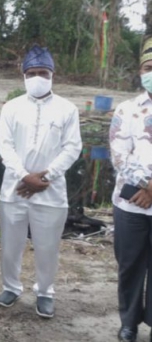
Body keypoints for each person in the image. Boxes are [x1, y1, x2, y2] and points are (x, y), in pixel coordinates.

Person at [0, 45, 82, 319]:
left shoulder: (67, 109)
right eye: (31, 73)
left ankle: (45, 292)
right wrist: (24, 176)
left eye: (42, 72)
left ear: (52, 74)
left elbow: (72, 148)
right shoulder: (11, 108)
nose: (36, 77)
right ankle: (11, 287)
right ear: (23, 76)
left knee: (47, 247)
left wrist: (46, 176)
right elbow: (5, 147)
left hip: (51, 190)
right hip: (15, 189)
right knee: (10, 246)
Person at [109, 37, 152, 342]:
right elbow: (119, 154)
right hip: (132, 203)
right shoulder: (127, 109)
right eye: (149, 67)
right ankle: (129, 322)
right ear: (140, 71)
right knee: (130, 264)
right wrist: (145, 188)